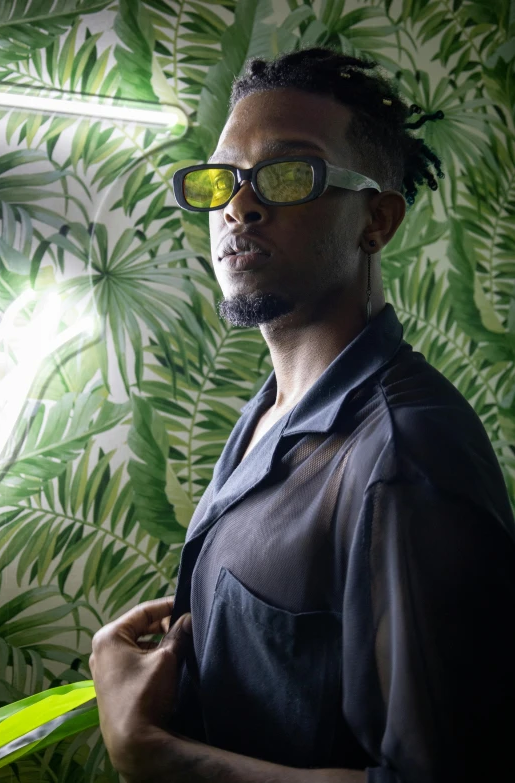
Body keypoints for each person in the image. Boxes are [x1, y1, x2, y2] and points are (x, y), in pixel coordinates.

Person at [89, 47, 515, 783]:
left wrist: (153, 754)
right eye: (224, 175)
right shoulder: (268, 411)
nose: (239, 203)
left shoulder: (405, 459)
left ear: (375, 221)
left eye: (291, 173)